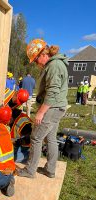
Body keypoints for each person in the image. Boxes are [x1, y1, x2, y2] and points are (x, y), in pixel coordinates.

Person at [18, 38, 68, 179]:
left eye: (35, 60)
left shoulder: (54, 65)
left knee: (36, 138)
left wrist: (40, 112)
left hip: (52, 108)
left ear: (42, 54)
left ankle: (30, 170)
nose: (35, 63)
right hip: (56, 107)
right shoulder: (54, 64)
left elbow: (53, 92)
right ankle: (50, 169)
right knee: (50, 138)